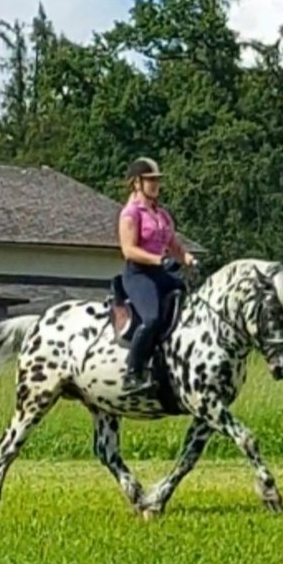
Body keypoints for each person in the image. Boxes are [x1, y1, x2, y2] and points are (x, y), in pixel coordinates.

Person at [117, 157, 197, 391]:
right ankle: (133, 372)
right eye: (150, 180)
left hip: (160, 272)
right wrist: (159, 260)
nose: (155, 184)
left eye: (157, 180)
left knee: (187, 302)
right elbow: (128, 250)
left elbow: (173, 244)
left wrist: (189, 259)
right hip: (138, 275)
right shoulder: (130, 214)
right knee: (151, 318)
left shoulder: (161, 215)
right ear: (137, 183)